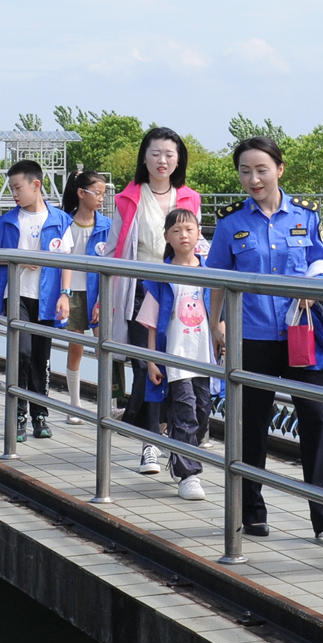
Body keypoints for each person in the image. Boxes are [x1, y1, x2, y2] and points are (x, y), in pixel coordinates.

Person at [205, 135, 323, 542]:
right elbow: (215, 280)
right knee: (251, 425)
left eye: (261, 169)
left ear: (280, 169)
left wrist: (315, 285)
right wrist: (217, 324)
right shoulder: (232, 223)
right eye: (245, 171)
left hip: (301, 335)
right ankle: (251, 512)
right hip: (252, 336)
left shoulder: (306, 216)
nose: (253, 178)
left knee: (317, 420)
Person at [110, 128, 203, 470]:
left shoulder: (190, 198)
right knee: (144, 367)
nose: (162, 160)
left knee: (178, 367)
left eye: (169, 154)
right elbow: (114, 247)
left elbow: (198, 243)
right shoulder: (128, 197)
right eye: (155, 153)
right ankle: (150, 443)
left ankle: (172, 435)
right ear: (144, 158)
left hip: (181, 292)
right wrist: (102, 296)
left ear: (179, 159)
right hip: (140, 289)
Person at [0, 160, 73, 443]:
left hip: (46, 297)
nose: (14, 194)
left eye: (18, 188)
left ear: (36, 185)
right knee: (21, 351)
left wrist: (65, 293)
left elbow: (67, 260)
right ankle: (19, 411)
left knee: (40, 357)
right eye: (11, 189)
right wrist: (22, 259)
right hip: (16, 293)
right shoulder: (7, 220)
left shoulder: (60, 220)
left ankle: (40, 414)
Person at [138, 207, 212, 502]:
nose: (184, 235)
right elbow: (152, 325)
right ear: (167, 237)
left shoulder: (210, 271)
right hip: (175, 358)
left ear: (198, 233)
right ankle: (188, 474)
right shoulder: (160, 276)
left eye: (190, 229)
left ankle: (179, 449)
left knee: (202, 414)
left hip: (204, 358)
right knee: (185, 412)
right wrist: (152, 359)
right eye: (177, 231)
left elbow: (219, 316)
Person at [56, 171, 114, 424]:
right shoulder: (64, 222)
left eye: (103, 193)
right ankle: (75, 404)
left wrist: (103, 299)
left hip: (98, 293)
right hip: (73, 293)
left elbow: (110, 265)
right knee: (75, 347)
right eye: (97, 193)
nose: (101, 198)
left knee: (106, 348)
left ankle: (109, 404)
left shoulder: (106, 225)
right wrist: (64, 294)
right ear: (82, 193)